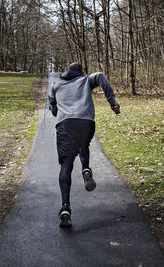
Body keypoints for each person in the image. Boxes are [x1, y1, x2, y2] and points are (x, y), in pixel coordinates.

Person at [48, 62, 120, 227]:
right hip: (86, 123)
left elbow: (52, 106)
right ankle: (86, 169)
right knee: (83, 146)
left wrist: (57, 111)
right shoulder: (86, 79)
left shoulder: (55, 84)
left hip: (66, 124)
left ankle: (65, 207)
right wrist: (112, 102)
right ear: (81, 71)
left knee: (66, 165)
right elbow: (101, 76)